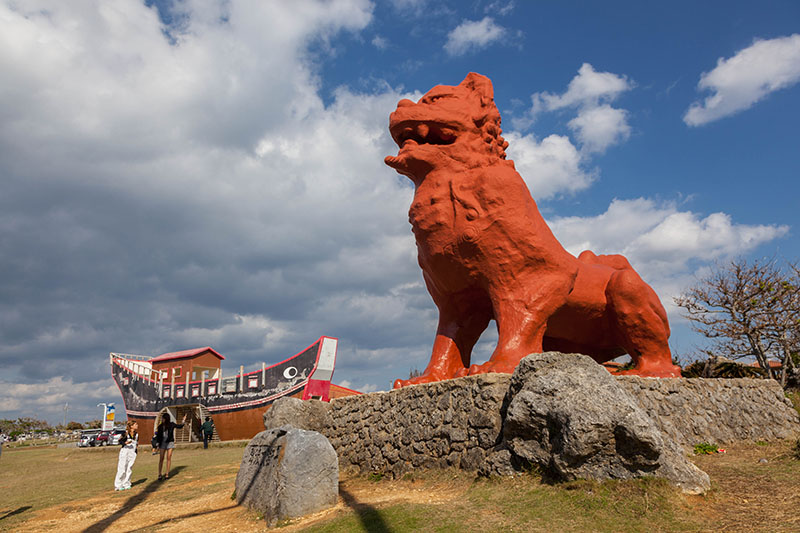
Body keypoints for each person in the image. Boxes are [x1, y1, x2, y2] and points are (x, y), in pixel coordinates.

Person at [155, 413, 186, 480]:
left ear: (166, 419)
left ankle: (167, 474)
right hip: (162, 443)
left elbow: (180, 426)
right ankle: (159, 474)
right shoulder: (160, 427)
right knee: (161, 458)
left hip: (170, 442)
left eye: (163, 418)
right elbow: (158, 437)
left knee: (169, 457)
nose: (162, 419)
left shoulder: (171, 424)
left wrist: (183, 420)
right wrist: (157, 445)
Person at [114, 421, 138, 491]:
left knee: (129, 468)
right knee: (122, 468)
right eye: (135, 424)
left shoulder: (136, 434)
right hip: (125, 452)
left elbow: (136, 444)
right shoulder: (125, 433)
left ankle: (127, 483)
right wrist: (125, 443)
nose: (137, 425)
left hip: (132, 453)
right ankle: (118, 485)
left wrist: (136, 452)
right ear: (131, 426)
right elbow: (120, 441)